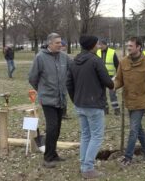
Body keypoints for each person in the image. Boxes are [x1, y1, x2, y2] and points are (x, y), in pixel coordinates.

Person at [67, 35, 114, 179]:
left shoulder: (74, 61)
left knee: (86, 135)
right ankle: (87, 168)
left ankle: (84, 163)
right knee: (97, 136)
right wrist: (113, 83)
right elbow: (108, 82)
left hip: (80, 104)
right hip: (93, 105)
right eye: (97, 44)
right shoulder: (95, 61)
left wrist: (75, 99)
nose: (99, 46)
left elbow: (69, 83)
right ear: (92, 45)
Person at [114, 37, 145, 166]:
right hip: (129, 100)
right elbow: (119, 80)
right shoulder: (123, 62)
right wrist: (112, 86)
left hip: (141, 101)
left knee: (133, 129)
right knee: (138, 128)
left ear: (139, 47)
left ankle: (128, 157)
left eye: (131, 46)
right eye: (127, 46)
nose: (128, 48)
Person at [28, 33, 72, 168]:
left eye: (60, 42)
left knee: (57, 128)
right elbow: (32, 78)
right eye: (57, 43)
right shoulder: (40, 57)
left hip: (61, 98)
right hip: (47, 99)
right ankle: (47, 158)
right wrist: (42, 90)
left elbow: (74, 69)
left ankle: (53, 154)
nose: (60, 45)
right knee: (52, 127)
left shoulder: (64, 57)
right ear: (49, 44)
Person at [96, 39, 120, 115]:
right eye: (99, 45)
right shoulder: (97, 52)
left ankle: (116, 110)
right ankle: (105, 109)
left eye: (101, 45)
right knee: (102, 93)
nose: (100, 46)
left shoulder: (112, 52)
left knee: (112, 94)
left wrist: (117, 76)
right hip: (100, 76)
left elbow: (117, 65)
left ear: (105, 45)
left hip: (111, 77)